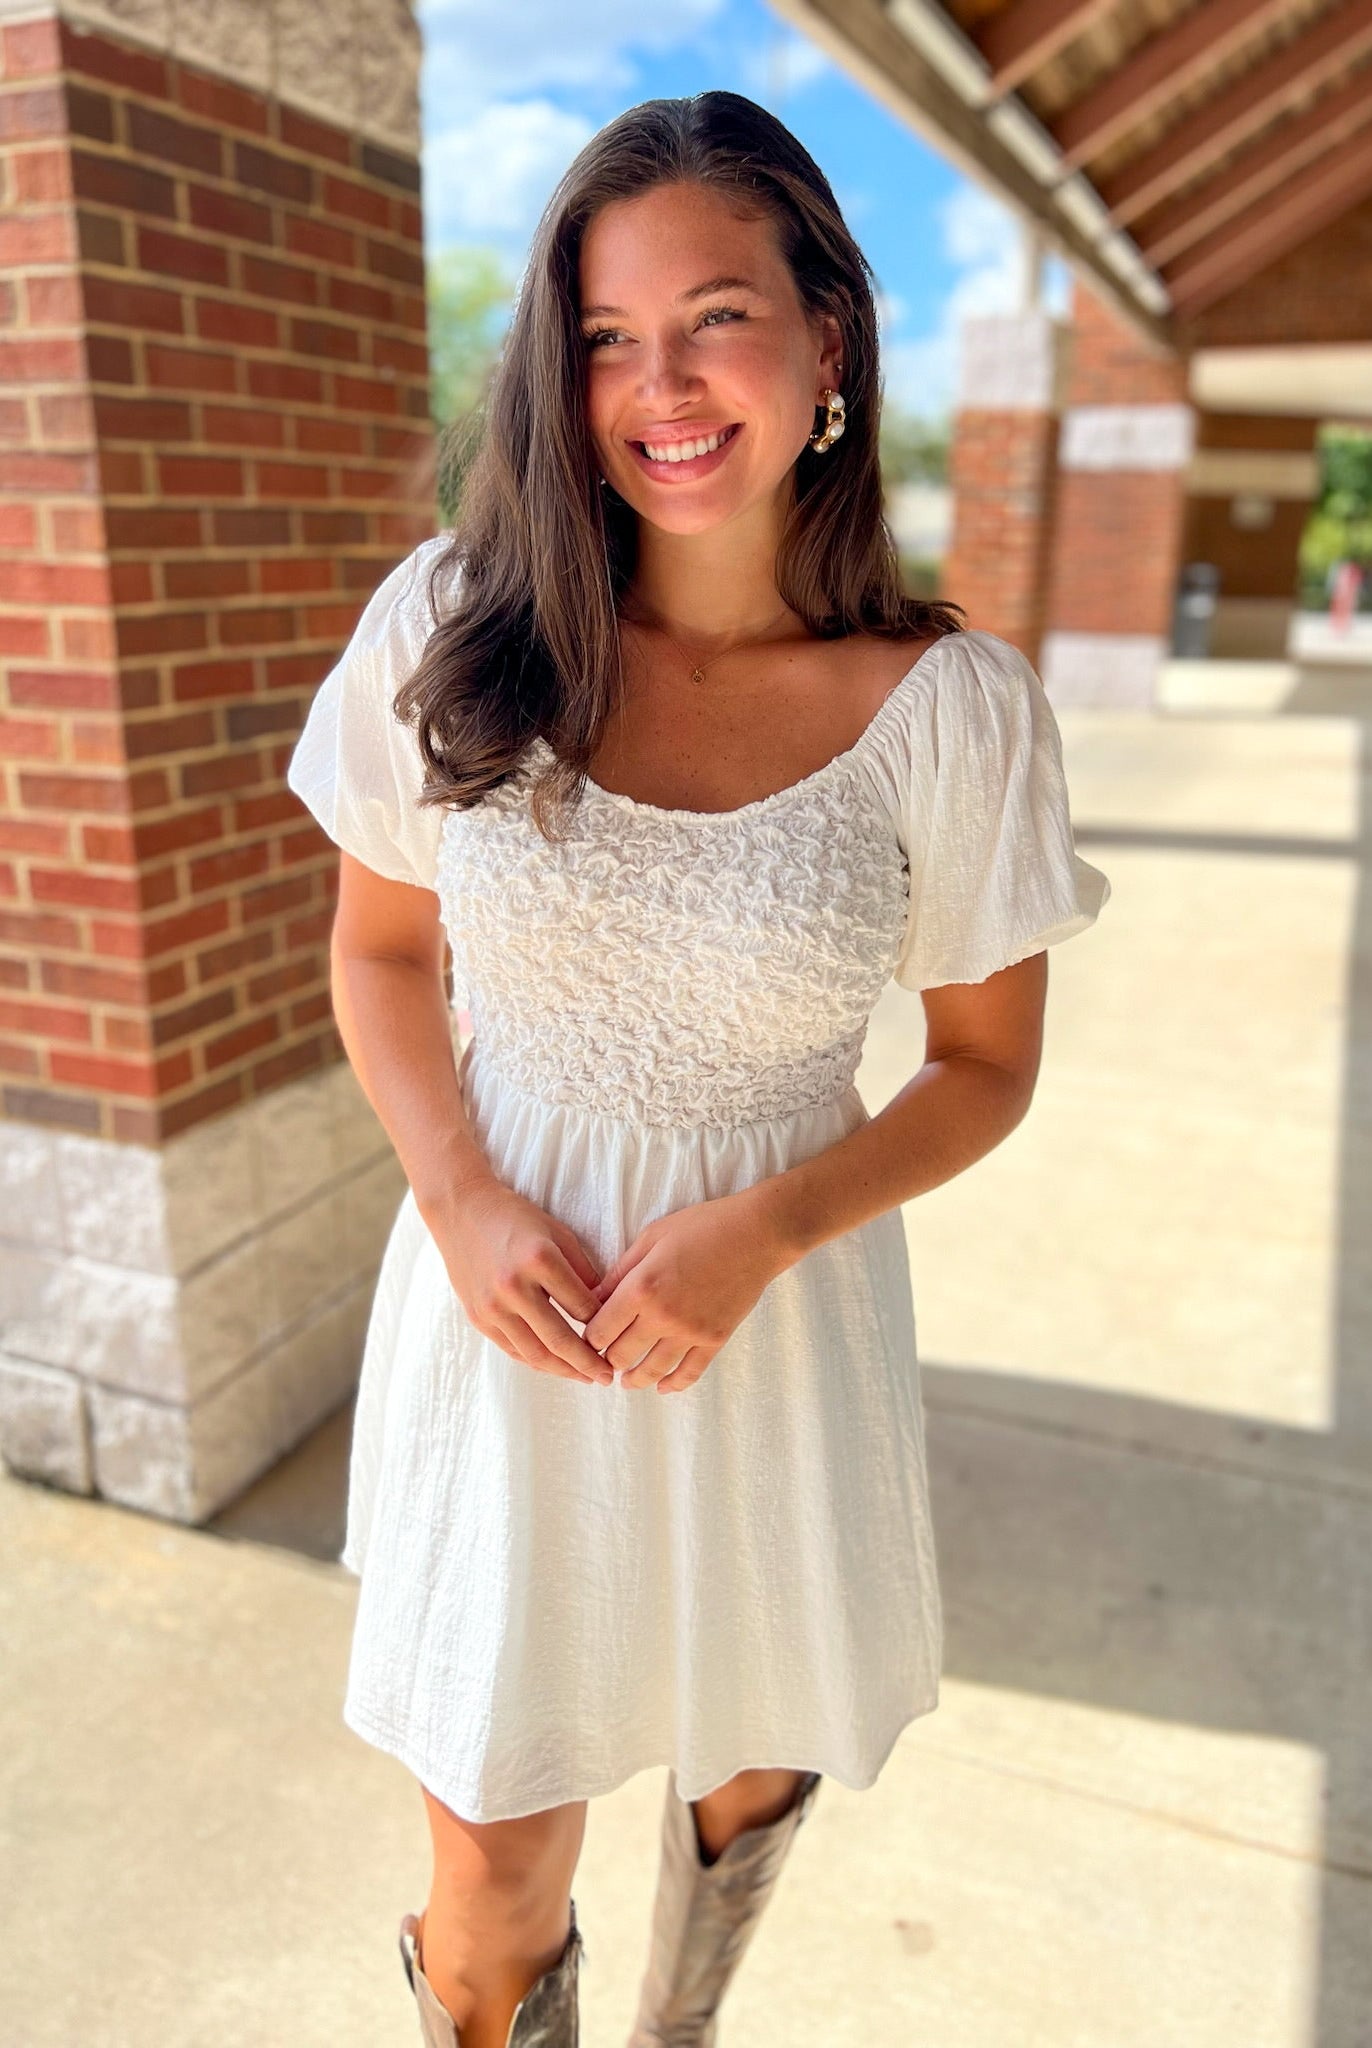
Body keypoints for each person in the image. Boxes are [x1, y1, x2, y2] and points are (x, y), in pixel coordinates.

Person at [286, 89, 1110, 2048]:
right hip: (506, 1329)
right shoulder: (454, 625)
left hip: (775, 1323)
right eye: (601, 335)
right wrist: (460, 1190)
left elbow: (980, 1066)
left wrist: (763, 1227)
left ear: (827, 336)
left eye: (714, 314)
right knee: (489, 1867)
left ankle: (677, 2026)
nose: (656, 383)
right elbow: (380, 949)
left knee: (746, 1764)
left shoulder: (949, 710)